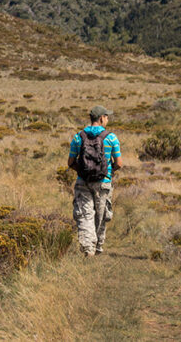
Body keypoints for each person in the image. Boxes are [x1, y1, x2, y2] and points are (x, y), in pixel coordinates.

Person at [68, 105, 122, 257]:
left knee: (85, 215)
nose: (108, 119)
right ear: (101, 118)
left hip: (82, 181)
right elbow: (118, 163)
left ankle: (87, 249)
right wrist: (108, 173)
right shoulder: (111, 137)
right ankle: (97, 247)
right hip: (103, 182)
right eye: (106, 116)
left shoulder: (78, 137)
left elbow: (71, 162)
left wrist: (83, 172)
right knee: (101, 214)